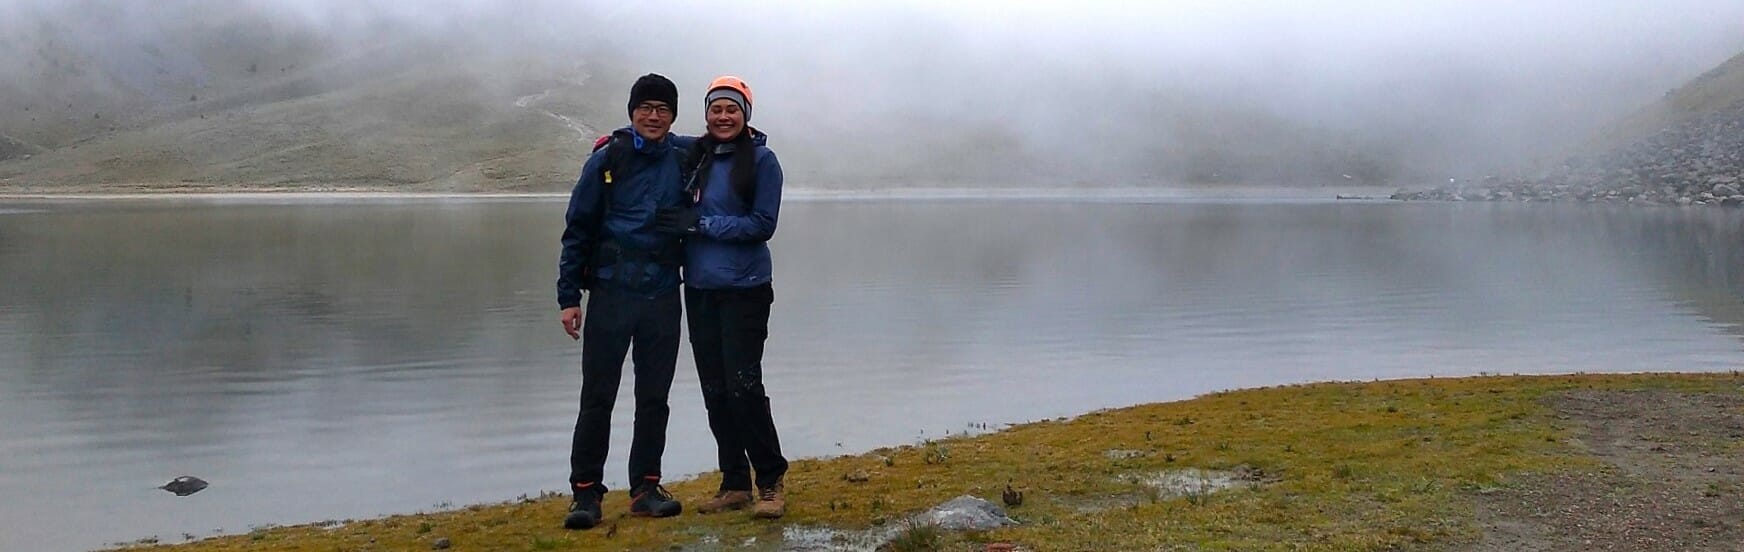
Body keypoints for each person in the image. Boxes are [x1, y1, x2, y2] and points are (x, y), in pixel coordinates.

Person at [556, 73, 694, 530]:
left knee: (654, 397)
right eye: (646, 107)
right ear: (632, 111)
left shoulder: (685, 155)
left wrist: (754, 135)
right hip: (612, 293)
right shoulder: (606, 160)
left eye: (663, 109)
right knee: (597, 396)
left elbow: (731, 142)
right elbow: (577, 229)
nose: (654, 116)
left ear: (673, 116)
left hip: (661, 294)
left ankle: (645, 488)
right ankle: (585, 494)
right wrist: (568, 297)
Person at [654, 75, 791, 519]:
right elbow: (658, 139)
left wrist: (700, 225)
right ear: (707, 114)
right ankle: (734, 482)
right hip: (700, 290)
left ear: (746, 114)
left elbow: (762, 224)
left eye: (732, 109)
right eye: (716, 109)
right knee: (714, 387)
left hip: (746, 290)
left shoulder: (764, 161)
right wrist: (610, 142)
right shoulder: (698, 157)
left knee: (744, 385)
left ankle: (770, 481)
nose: (724, 116)